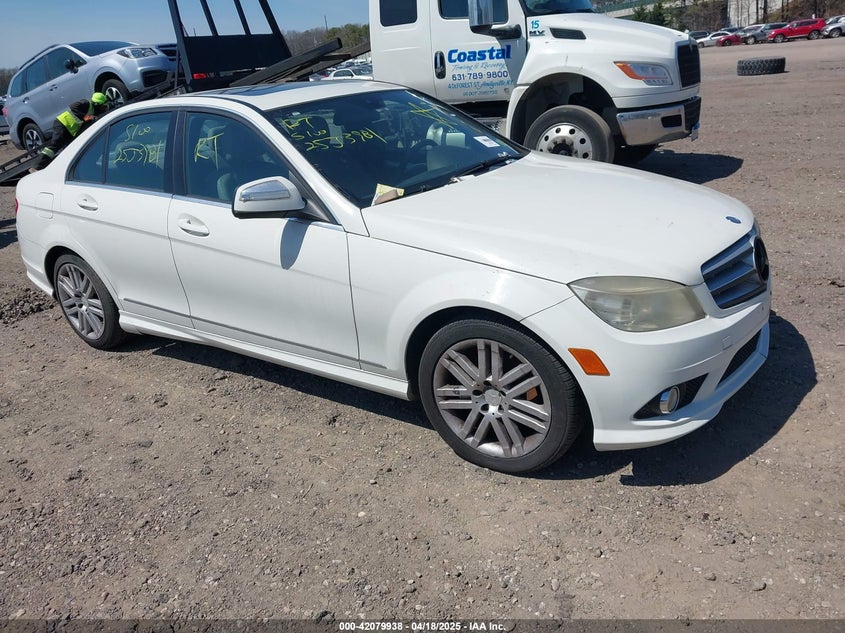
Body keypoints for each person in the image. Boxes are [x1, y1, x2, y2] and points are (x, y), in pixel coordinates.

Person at [36, 92, 111, 168]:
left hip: (70, 130)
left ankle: (56, 167)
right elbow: (73, 107)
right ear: (97, 104)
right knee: (55, 145)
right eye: (103, 107)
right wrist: (86, 117)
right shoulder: (85, 103)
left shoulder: (94, 112)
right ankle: (38, 166)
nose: (104, 109)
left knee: (68, 148)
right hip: (62, 124)